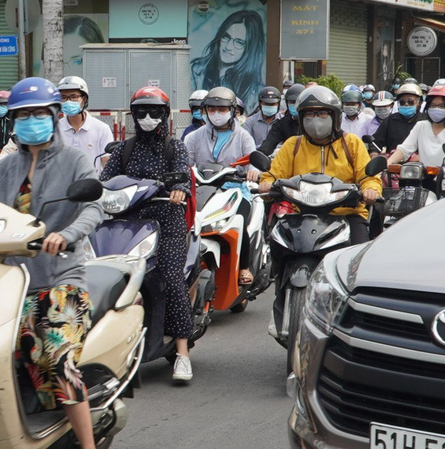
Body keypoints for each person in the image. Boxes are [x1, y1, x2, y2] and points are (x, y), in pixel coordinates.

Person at [0, 77, 111, 449]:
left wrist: (67, 235)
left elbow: (94, 207)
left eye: (39, 113)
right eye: (23, 115)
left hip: (62, 279)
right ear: (13, 121)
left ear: (55, 116)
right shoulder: (6, 166)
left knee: (55, 357)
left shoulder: (74, 160)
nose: (32, 121)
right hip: (10, 282)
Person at [100, 86, 198, 384]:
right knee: (101, 274)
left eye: (153, 111)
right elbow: (105, 181)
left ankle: (182, 354)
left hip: (166, 221)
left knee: (171, 278)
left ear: (164, 115)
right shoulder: (124, 149)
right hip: (127, 222)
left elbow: (182, 173)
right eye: (141, 111)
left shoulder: (175, 147)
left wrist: (179, 189)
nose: (146, 117)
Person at [257, 85, 381, 230]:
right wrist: (266, 184)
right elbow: (272, 174)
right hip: (300, 216)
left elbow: (367, 177)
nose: (315, 120)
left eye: (322, 114)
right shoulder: (292, 145)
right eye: (309, 115)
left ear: (335, 117)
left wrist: (370, 190)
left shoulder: (351, 143)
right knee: (277, 246)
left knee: (359, 249)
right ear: (301, 119)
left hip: (346, 214)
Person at [184, 86, 261, 293]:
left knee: (239, 221)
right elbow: (185, 164)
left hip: (234, 190)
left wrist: (252, 172)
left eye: (222, 109)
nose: (216, 114)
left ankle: (244, 267)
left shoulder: (244, 137)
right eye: (211, 109)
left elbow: (252, 161)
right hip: (201, 189)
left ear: (233, 110)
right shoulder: (194, 137)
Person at [388, 81, 445, 181]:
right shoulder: (420, 126)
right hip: (423, 179)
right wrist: (388, 163)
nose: (436, 109)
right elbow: (404, 149)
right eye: (433, 105)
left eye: (441, 106)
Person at [193, 6, 265, 98]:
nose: (228, 47)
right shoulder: (196, 70)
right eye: (226, 37)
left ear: (250, 49)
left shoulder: (255, 91)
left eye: (239, 42)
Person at [57, 74, 115, 162]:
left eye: (74, 97)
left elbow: (106, 161)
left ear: (83, 100)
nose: (68, 101)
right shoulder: (55, 129)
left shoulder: (101, 129)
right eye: (63, 97)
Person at [373, 81, 422, 153]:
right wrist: (374, 154)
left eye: (410, 101)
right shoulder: (390, 121)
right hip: (393, 162)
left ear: (419, 103)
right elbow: (376, 143)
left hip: (421, 162)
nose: (406, 104)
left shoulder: (425, 121)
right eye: (402, 102)